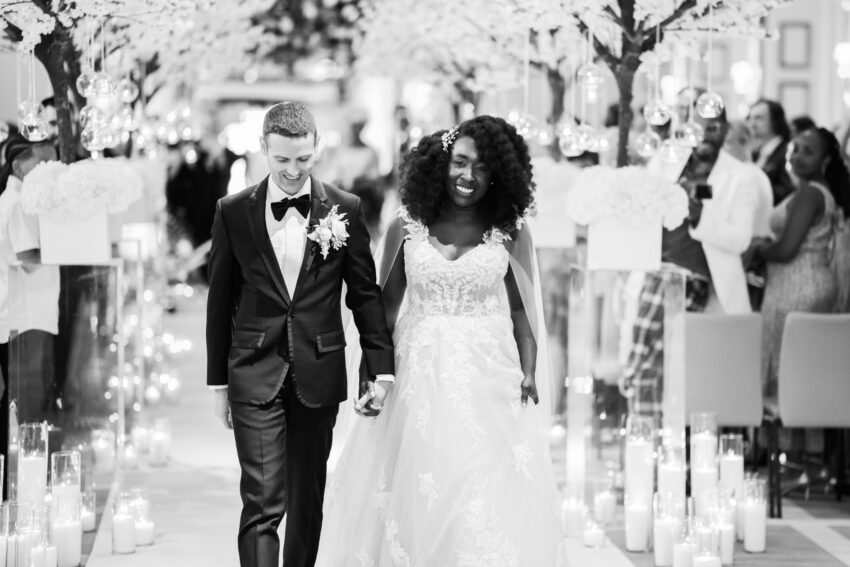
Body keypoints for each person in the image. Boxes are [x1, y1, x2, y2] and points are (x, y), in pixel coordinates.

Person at [315, 116, 561, 566]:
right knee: (419, 482)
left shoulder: (511, 232)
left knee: (477, 482)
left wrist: (528, 369)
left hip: (488, 375)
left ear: (500, 174)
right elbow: (385, 311)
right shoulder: (405, 227)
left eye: (482, 168)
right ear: (441, 163)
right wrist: (372, 374)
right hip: (418, 377)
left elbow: (523, 310)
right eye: (461, 163)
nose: (469, 176)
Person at [205, 101, 395, 567]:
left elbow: (365, 296)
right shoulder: (232, 211)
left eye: (303, 159)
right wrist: (218, 383)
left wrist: (382, 369)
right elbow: (220, 299)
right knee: (262, 503)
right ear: (263, 149)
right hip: (253, 371)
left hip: (319, 371)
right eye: (282, 159)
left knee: (307, 503)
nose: (293, 171)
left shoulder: (344, 209)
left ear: (317, 150)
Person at [624, 104, 758, 415]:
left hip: (694, 280)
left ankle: (660, 436)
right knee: (645, 357)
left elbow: (740, 239)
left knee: (676, 366)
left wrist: (701, 218)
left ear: (725, 130)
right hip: (653, 270)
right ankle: (645, 437)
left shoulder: (741, 177)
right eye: (699, 128)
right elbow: (642, 207)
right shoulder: (666, 161)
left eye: (714, 128)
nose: (706, 136)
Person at [745, 128, 850, 397]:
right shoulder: (814, 191)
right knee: (804, 368)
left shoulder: (810, 194)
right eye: (795, 148)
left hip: (797, 286)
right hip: (808, 282)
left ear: (826, 160)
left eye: (809, 151)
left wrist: (756, 249)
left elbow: (786, 249)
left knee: (789, 370)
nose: (798, 156)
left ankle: (787, 437)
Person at [723, 120, 775, 309]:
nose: (720, 150)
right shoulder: (751, 173)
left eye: (726, 142)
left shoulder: (746, 176)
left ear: (745, 142)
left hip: (746, 266)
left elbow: (742, 234)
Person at [747, 98, 794, 205]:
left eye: (758, 118)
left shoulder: (788, 151)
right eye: (750, 118)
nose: (752, 124)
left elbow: (788, 190)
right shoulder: (755, 153)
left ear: (775, 120)